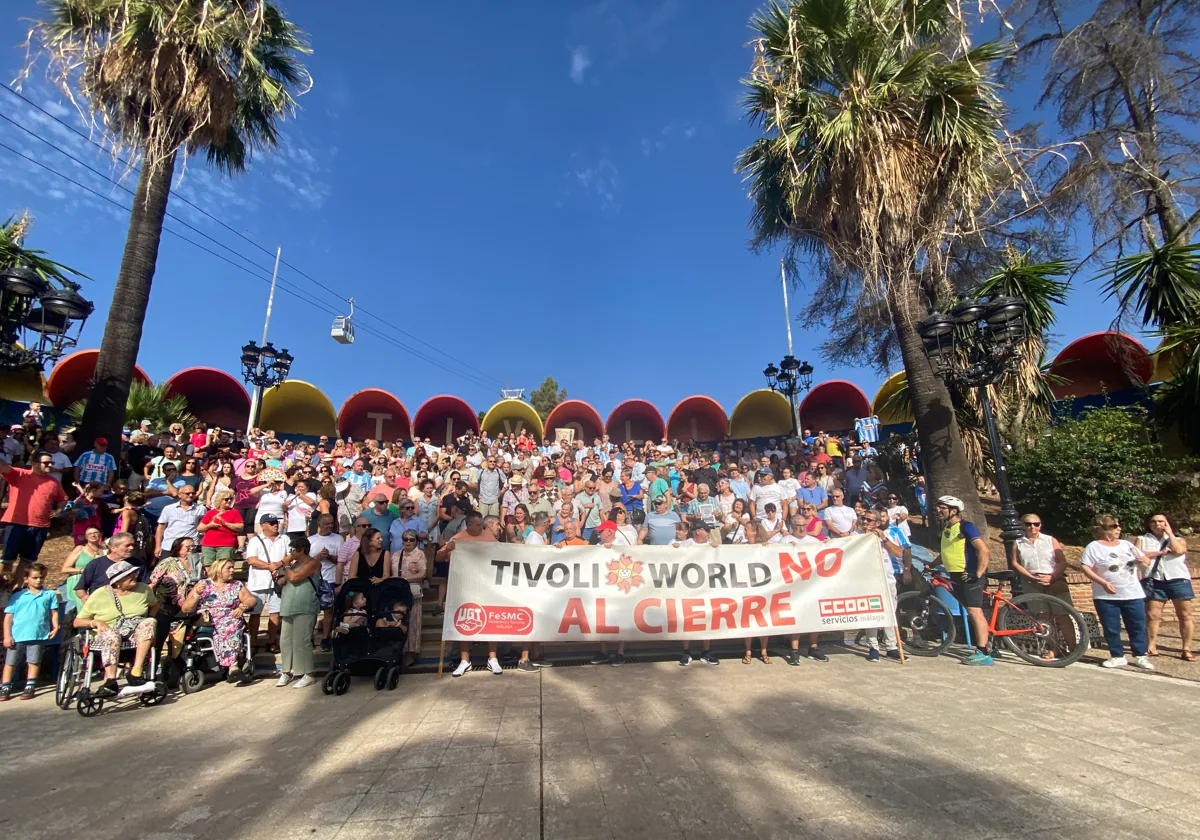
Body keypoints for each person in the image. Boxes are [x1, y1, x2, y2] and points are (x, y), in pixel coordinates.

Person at [73, 560, 160, 697]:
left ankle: (135, 672)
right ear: (117, 581)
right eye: (129, 575)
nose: (135, 576)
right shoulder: (99, 594)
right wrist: (96, 623)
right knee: (112, 635)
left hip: (134, 632)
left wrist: (148, 617)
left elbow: (155, 605)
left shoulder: (144, 589)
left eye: (134, 573)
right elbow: (77, 622)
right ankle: (111, 680)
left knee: (149, 622)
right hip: (107, 633)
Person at [1080, 515, 1154, 670]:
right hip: (1105, 595)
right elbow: (1085, 567)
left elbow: (1146, 561)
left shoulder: (1127, 544)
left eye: (1119, 526)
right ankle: (1117, 656)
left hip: (1132, 593)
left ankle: (1141, 655)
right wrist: (1103, 582)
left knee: (1137, 625)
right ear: (1103, 529)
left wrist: (1143, 562)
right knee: (1111, 627)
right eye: (1114, 526)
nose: (1119, 528)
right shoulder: (1093, 547)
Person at [439, 513, 503, 677]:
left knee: (490, 619)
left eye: (481, 524)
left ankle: (493, 658)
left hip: (486, 585)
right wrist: (448, 548)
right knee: (465, 622)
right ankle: (464, 660)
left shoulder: (488, 536)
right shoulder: (458, 538)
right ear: (468, 525)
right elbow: (439, 557)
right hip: (465, 587)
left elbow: (503, 553)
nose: (480, 528)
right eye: (476, 524)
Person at [180, 557, 258, 683]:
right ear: (218, 570)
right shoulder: (204, 585)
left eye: (233, 567)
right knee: (224, 626)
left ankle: (233, 666)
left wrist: (242, 607)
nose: (232, 570)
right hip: (208, 620)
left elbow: (251, 600)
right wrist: (196, 595)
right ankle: (231, 665)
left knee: (230, 625)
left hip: (231, 617)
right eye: (229, 568)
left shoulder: (236, 585)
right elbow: (186, 608)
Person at [935, 496, 993, 666]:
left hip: (968, 575)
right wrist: (932, 564)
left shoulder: (966, 526)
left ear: (953, 511)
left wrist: (978, 573)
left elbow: (984, 550)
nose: (938, 510)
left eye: (942, 508)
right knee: (971, 611)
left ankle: (983, 653)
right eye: (938, 507)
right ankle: (988, 645)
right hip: (954, 574)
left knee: (975, 612)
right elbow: (947, 552)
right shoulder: (947, 528)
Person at [0, 451, 68, 580]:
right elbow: (3, 467)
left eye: (51, 463)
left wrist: (58, 510)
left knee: (27, 562)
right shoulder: (20, 474)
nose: (50, 465)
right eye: (46, 463)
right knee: (7, 560)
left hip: (40, 526)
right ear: (35, 463)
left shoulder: (54, 482)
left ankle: (14, 589)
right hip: (17, 524)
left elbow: (63, 498)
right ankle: (2, 588)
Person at [1138, 513, 1193, 661]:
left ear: (1168, 523)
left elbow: (1179, 550)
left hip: (1178, 579)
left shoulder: (1178, 539)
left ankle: (1186, 648)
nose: (1157, 524)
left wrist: (1169, 533)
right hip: (1154, 580)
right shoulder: (1142, 539)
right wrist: (1160, 553)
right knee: (1152, 615)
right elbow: (1138, 555)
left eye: (1161, 521)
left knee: (1185, 615)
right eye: (1154, 522)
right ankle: (1151, 646)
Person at [1, 564, 59, 700]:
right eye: (35, 577)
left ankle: (30, 685)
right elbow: (8, 617)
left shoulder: (49, 594)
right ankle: (5, 686)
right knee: (11, 662)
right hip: (18, 636)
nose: (39, 580)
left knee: (34, 660)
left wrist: (56, 626)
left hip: (38, 634)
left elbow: (53, 612)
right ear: (26, 579)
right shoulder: (18, 596)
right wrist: (7, 635)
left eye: (41, 578)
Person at [273, 537, 321, 688]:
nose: (291, 553)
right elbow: (287, 579)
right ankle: (286, 671)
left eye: (293, 550)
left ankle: (308, 673)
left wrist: (285, 565)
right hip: (288, 605)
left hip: (305, 605)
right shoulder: (294, 565)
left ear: (302, 549)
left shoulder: (313, 563)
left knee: (303, 641)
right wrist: (280, 578)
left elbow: (295, 578)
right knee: (285, 640)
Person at [244, 514, 288, 655]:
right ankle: (254, 642)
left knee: (275, 613)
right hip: (258, 582)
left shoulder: (284, 538)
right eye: (271, 523)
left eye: (276, 522)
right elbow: (251, 560)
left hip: (277, 582)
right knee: (255, 614)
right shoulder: (255, 541)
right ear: (263, 525)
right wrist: (271, 566)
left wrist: (279, 564)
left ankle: (271, 641)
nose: (275, 525)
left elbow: (291, 555)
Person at [862, 512, 902, 661]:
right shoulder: (856, 535)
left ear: (877, 523)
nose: (865, 521)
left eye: (869, 520)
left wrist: (883, 538)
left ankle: (891, 646)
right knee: (870, 613)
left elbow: (898, 553)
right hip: (868, 581)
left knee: (890, 612)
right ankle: (873, 646)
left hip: (887, 579)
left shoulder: (885, 535)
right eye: (863, 518)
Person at [307, 513, 344, 650]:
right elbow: (307, 562)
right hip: (314, 579)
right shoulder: (311, 540)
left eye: (331, 523)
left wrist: (328, 556)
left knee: (329, 610)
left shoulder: (338, 539)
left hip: (331, 578)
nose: (330, 526)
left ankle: (325, 638)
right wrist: (318, 557)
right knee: (312, 611)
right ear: (319, 525)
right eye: (327, 524)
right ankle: (309, 637)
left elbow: (341, 561)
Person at [393, 531, 428, 667]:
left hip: (412, 591)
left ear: (416, 541)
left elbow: (423, 573)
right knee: (397, 620)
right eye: (405, 539)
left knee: (413, 622)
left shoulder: (419, 554)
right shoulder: (396, 555)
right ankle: (397, 651)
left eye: (411, 540)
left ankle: (410, 654)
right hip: (397, 592)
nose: (408, 542)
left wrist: (405, 580)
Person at [1012, 514, 1068, 596]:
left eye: (1036, 524)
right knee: (1037, 608)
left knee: (1061, 608)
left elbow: (1062, 562)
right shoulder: (1018, 542)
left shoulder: (1050, 540)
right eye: (1028, 524)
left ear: (1040, 525)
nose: (1032, 527)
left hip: (1054, 581)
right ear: (1023, 525)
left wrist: (1052, 577)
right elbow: (1015, 563)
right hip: (1031, 582)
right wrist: (1031, 577)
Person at [154, 483, 206, 561]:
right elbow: (160, 528)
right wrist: (158, 546)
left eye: (193, 493)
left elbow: (202, 528)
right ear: (179, 495)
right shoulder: (168, 509)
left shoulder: (201, 509)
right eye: (187, 493)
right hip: (169, 545)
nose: (191, 495)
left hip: (190, 547)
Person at [62, 528, 106, 615]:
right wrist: (83, 571)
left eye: (95, 533)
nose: (93, 535)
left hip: (97, 584)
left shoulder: (105, 550)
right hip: (79, 582)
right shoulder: (80, 549)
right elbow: (64, 569)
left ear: (100, 534)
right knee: (82, 610)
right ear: (86, 537)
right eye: (90, 534)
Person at [198, 490, 243, 569]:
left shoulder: (235, 512)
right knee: (208, 565)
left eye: (231, 499)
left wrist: (226, 523)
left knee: (223, 566)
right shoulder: (211, 512)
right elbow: (199, 528)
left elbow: (240, 527)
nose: (229, 501)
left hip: (226, 544)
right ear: (220, 500)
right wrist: (210, 525)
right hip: (208, 544)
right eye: (226, 499)